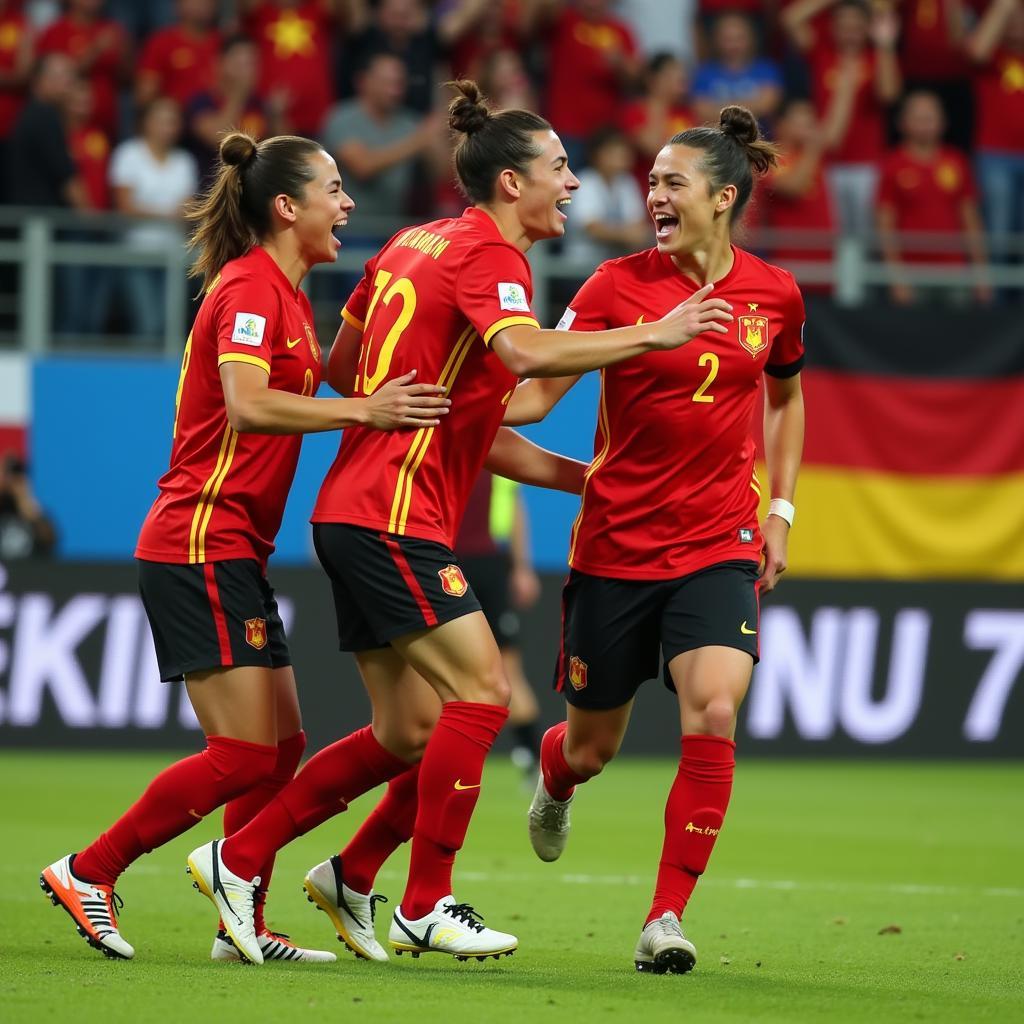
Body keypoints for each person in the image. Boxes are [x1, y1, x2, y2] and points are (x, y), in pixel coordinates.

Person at [187, 78, 733, 967]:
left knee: (406, 731)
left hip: (361, 509)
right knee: (482, 695)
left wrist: (577, 478)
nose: (574, 185)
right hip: (393, 516)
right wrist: (654, 335)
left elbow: (348, 364)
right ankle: (421, 901)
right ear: (511, 182)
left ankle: (284, 864)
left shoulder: (413, 242)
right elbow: (522, 353)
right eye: (559, 169)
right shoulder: (493, 257)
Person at [39, 129, 450, 965]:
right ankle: (90, 869)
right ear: (286, 206)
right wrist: (366, 413)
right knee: (240, 755)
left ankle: (241, 919)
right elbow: (248, 405)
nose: (348, 203)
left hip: (235, 546)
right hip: (199, 536)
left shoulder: (293, 297)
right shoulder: (253, 289)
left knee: (284, 746)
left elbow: (336, 378)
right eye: (334, 189)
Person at [510, 105, 806, 975]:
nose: (654, 196)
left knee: (715, 706)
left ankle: (664, 917)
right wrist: (454, 408)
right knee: (593, 746)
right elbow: (530, 396)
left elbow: (786, 398)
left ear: (723, 197)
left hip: (719, 542)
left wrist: (779, 510)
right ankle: (556, 781)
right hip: (615, 548)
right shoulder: (612, 287)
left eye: (672, 183)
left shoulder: (775, 294)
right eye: (651, 183)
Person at [782, 0, 901, 237]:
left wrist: (885, 45)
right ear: (832, 28)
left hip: (867, 163)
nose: (850, 33)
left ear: (868, 28)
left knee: (866, 238)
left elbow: (889, 94)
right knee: (836, 236)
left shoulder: (875, 57)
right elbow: (790, 19)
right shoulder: (822, 53)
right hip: (826, 161)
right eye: (843, 26)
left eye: (856, 26)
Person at [454, 471, 544, 773]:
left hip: (487, 566)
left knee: (507, 670)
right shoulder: (430, 435)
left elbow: (515, 509)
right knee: (438, 669)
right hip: (441, 559)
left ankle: (534, 762)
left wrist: (522, 568)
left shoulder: (497, 445)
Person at [876, 90, 990, 305]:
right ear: (902, 123)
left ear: (943, 122)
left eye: (930, 117)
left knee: (959, 334)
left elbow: (971, 220)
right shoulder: (892, 164)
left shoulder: (956, 161)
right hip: (911, 272)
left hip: (955, 271)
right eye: (918, 118)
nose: (925, 123)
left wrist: (981, 274)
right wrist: (895, 278)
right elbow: (885, 226)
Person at [109, 96, 198, 341]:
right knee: (147, 322)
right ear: (146, 123)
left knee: (169, 324)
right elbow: (125, 206)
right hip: (138, 252)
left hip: (174, 256)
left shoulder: (184, 161)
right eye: (162, 120)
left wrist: (159, 211)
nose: (168, 127)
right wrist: (169, 214)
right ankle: (140, 377)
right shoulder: (128, 154)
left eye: (173, 121)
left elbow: (189, 208)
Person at [0, 452, 57, 559]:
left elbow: (50, 541)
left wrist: (25, 501)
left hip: (28, 571)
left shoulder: (30, 509)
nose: (11, 480)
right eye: (6, 474)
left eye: (15, 474)